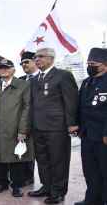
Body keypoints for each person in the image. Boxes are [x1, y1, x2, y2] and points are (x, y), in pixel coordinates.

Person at [28, 48, 79, 204]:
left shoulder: (63, 75)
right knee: (42, 160)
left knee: (58, 161)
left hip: (57, 127)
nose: (37, 60)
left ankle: (58, 191)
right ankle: (46, 186)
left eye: (40, 57)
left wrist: (72, 124)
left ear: (51, 58)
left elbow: (71, 101)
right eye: (35, 57)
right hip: (38, 126)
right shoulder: (34, 79)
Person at [0, 59, 33, 197]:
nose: (3, 70)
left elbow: (27, 108)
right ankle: (1, 183)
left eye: (7, 68)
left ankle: (17, 186)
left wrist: (22, 130)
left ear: (13, 70)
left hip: (15, 128)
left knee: (17, 159)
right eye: (1, 68)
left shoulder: (23, 85)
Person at [75, 48, 107, 205]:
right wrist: (77, 126)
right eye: (88, 63)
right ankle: (92, 199)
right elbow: (81, 107)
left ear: (104, 64)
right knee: (90, 170)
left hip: (103, 135)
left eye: (93, 63)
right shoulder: (87, 82)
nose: (89, 66)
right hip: (87, 134)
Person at [18, 51, 39, 187]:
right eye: (22, 63)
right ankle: (26, 176)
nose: (24, 65)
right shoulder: (20, 80)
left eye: (26, 62)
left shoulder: (41, 78)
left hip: (40, 122)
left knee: (40, 155)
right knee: (24, 151)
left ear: (34, 61)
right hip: (23, 121)